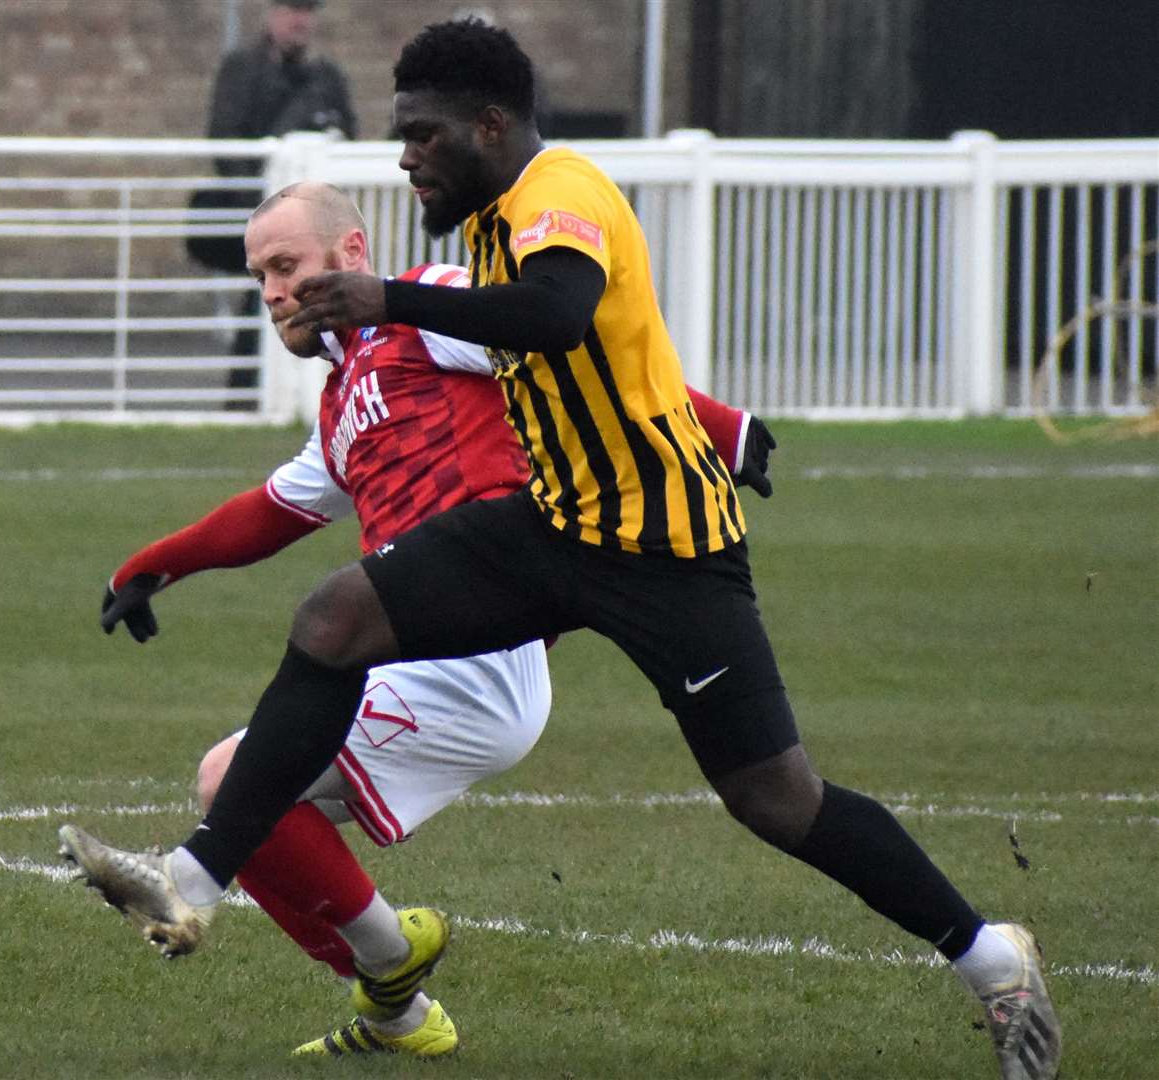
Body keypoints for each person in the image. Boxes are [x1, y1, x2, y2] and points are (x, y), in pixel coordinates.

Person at [61, 20, 1060, 1080]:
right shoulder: (487, 231)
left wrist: (392, 301)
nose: (406, 159)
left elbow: (560, 316)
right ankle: (194, 881)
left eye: (422, 136)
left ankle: (994, 960)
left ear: (489, 126)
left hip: (666, 548)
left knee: (777, 800)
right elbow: (580, 357)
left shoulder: (558, 196)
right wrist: (156, 559)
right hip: (555, 524)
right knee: (332, 621)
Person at [62, 180, 773, 1058]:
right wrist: (151, 566)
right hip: (417, 644)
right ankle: (396, 1007)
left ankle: (381, 961)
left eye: (287, 265)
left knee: (232, 785)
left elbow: (573, 355)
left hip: (478, 655)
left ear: (352, 256)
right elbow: (268, 513)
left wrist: (723, 427)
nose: (275, 291)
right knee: (238, 785)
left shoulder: (426, 308)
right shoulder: (339, 404)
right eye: (260, 277)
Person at [190, 0, 357, 402]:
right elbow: (225, 142)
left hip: (315, 223)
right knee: (266, 299)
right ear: (272, 14)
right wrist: (266, 209)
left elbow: (348, 137)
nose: (299, 20)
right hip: (257, 213)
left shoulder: (327, 77)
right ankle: (249, 394)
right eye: (290, 9)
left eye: (307, 11)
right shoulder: (243, 70)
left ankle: (312, 394)